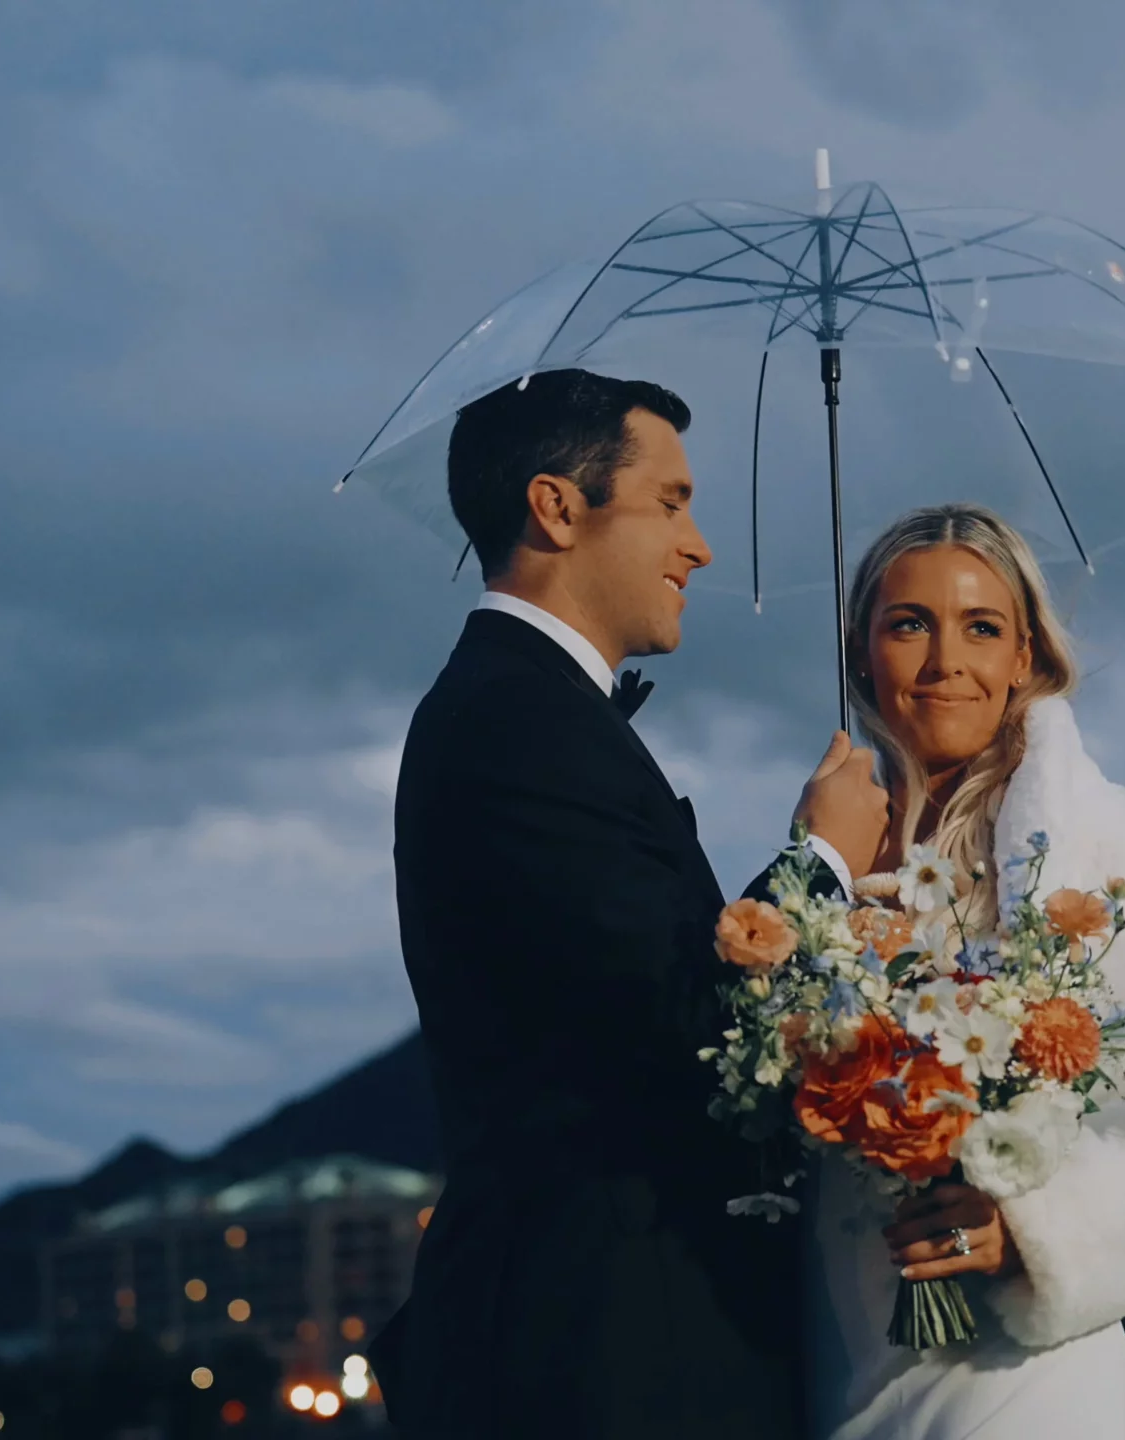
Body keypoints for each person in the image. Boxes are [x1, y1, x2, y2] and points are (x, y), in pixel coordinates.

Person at [771, 503, 1125, 1439]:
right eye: (907, 624)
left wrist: (1032, 1229)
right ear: (861, 655)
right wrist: (815, 879)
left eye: (982, 628)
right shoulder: (827, 873)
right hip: (841, 1370)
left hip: (1022, 1380)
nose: (944, 661)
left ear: (1027, 659)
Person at [370, 370, 801, 1438]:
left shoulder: (533, 710)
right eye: (670, 502)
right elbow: (681, 1017)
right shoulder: (519, 720)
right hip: (596, 1349)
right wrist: (822, 863)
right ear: (556, 507)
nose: (698, 544)